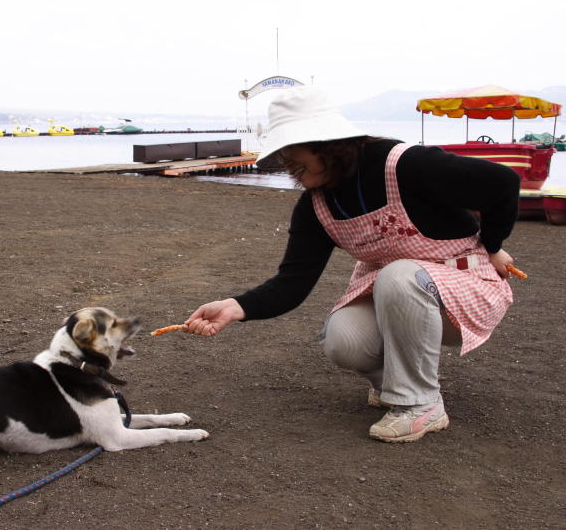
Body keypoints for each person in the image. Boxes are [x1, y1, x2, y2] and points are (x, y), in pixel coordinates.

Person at [183, 87, 519, 443]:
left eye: (290, 149)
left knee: (399, 275)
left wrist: (493, 245)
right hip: (396, 293)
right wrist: (235, 307)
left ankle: (421, 404)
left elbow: (501, 183)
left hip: (464, 289)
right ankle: (393, 381)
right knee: (342, 338)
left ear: (324, 142)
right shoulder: (316, 206)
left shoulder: (403, 163)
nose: (285, 162)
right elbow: (292, 282)